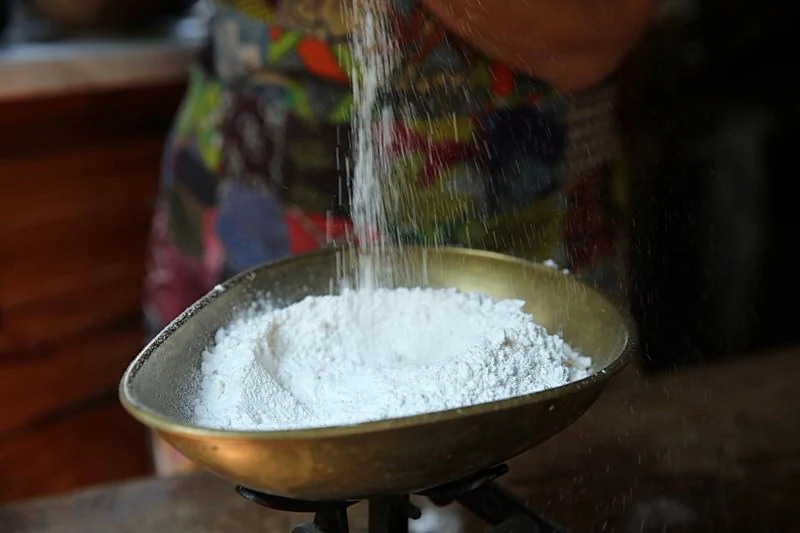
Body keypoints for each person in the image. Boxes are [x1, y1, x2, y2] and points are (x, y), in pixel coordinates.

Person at [144, 0, 658, 475]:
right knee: (225, 480)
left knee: (545, 475)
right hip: (248, 173)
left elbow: (598, 30)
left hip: (514, 186)